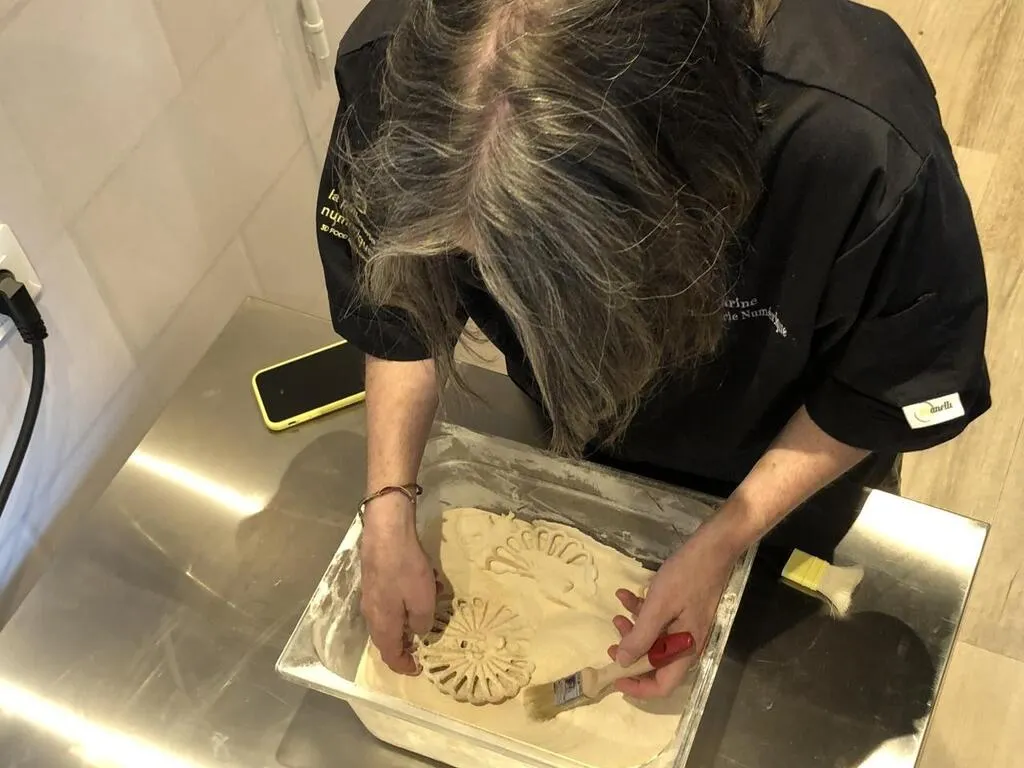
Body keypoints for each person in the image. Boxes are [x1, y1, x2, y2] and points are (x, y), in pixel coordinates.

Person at [315, 0, 990, 699]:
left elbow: (882, 384)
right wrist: (387, 504)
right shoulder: (398, 77)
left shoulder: (858, 140)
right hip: (580, 444)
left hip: (791, 455)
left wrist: (727, 536)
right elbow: (397, 309)